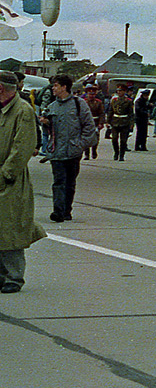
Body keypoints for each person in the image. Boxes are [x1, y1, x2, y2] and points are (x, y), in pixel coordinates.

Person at [0, 71, 45, 293]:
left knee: (12, 228)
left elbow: (22, 148)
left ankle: (14, 277)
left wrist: (5, 175)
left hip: (10, 180)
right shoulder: (3, 110)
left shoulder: (22, 111)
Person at [41, 74, 94, 223]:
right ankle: (57, 211)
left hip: (73, 151)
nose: (53, 88)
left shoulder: (79, 104)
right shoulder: (51, 107)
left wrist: (81, 144)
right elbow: (48, 131)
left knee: (70, 183)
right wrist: (45, 123)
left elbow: (89, 126)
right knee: (59, 182)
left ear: (64, 87)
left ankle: (66, 210)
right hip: (57, 151)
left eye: (56, 85)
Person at [107, 84, 133, 161]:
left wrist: (132, 123)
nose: (119, 92)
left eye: (121, 91)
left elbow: (131, 113)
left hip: (125, 122)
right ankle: (116, 152)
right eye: (118, 91)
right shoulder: (114, 100)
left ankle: (122, 155)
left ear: (124, 92)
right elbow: (110, 111)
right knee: (114, 139)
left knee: (123, 140)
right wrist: (108, 121)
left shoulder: (128, 101)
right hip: (115, 122)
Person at [82, 84, 105, 161]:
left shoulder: (98, 103)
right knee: (86, 138)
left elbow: (101, 113)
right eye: (89, 94)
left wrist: (101, 123)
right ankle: (86, 154)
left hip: (95, 122)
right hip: (86, 123)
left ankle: (94, 150)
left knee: (95, 138)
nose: (91, 96)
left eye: (93, 94)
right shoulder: (83, 102)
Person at [133, 87, 151, 152]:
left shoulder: (145, 101)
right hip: (139, 118)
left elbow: (147, 107)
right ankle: (137, 146)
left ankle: (143, 145)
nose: (147, 97)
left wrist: (149, 106)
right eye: (146, 95)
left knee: (144, 133)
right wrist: (145, 113)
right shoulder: (138, 101)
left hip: (144, 119)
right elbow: (138, 109)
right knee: (140, 132)